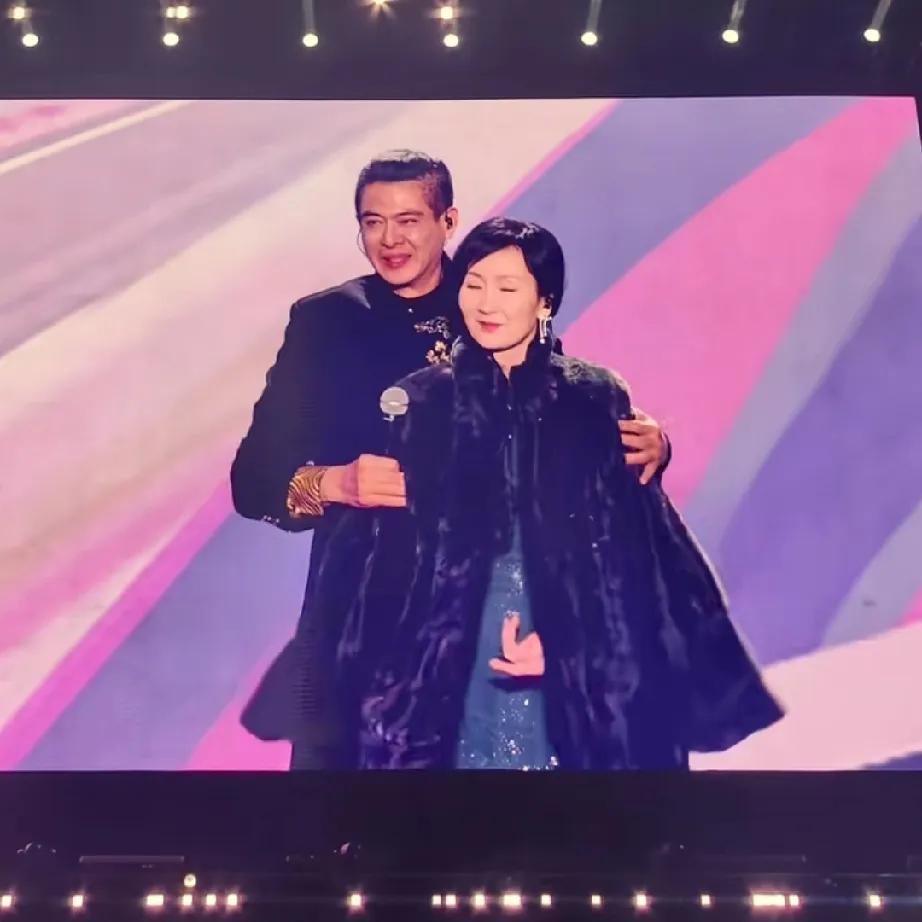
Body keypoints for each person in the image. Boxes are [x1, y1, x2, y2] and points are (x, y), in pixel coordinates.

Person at [230, 152, 672, 769]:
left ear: (448, 221)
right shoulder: (325, 323)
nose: (390, 240)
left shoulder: (489, 299)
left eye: (409, 220)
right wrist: (335, 483)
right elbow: (253, 480)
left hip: (487, 613)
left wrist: (650, 446)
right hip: (366, 610)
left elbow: (558, 426)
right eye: (373, 222)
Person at [313, 217, 782, 770]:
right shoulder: (421, 402)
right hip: (444, 671)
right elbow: (380, 568)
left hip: (574, 666)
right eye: (473, 284)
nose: (487, 303)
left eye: (507, 287)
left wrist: (563, 645)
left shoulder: (592, 399)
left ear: (544, 302)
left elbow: (631, 560)